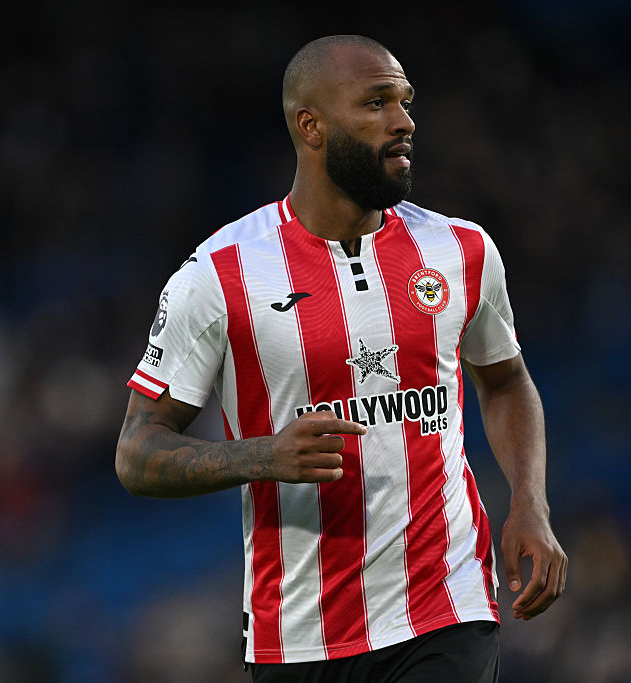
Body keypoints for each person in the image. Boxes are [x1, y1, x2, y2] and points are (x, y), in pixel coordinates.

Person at [115, 34, 567, 683]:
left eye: (406, 102)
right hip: (299, 634)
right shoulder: (220, 274)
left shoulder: (459, 249)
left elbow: (504, 380)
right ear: (312, 126)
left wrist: (530, 502)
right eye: (376, 103)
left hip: (447, 605)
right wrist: (263, 455)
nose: (405, 121)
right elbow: (137, 452)